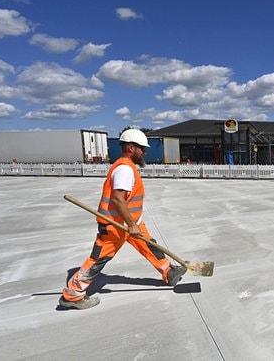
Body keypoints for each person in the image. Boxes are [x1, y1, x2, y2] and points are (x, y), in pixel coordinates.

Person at [59, 129, 187, 310]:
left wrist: (134, 223)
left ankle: (168, 271)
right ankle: (72, 296)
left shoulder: (128, 167)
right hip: (114, 225)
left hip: (129, 222)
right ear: (130, 148)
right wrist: (132, 224)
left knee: (149, 244)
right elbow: (118, 199)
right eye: (142, 148)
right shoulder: (124, 169)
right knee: (99, 258)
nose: (145, 152)